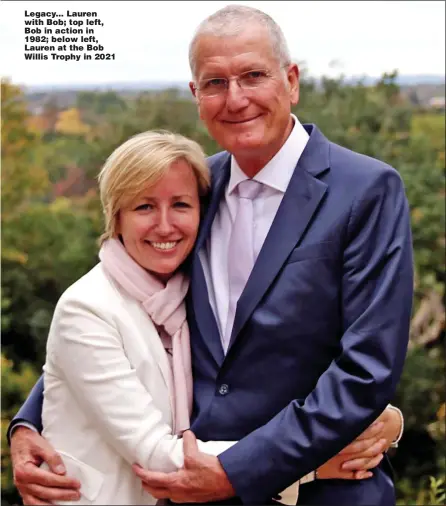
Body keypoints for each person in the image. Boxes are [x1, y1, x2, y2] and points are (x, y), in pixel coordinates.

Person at [8, 4, 412, 506]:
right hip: (193, 492)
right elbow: (113, 308)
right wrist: (28, 421)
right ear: (197, 96)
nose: (236, 98)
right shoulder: (194, 187)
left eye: (253, 76)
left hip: (326, 487)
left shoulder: (366, 191)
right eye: (215, 82)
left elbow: (366, 369)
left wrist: (240, 471)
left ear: (291, 80)